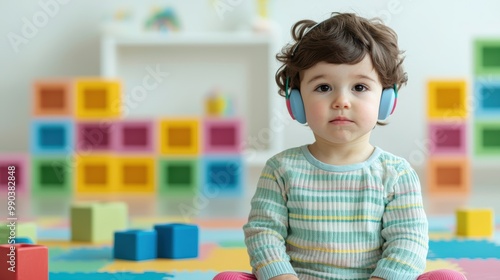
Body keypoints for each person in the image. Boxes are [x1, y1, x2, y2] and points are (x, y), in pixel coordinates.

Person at [214, 12, 467, 280]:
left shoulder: (397, 173)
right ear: (296, 102)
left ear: (386, 100)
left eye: (359, 86)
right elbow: (263, 232)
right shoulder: (280, 169)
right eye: (323, 87)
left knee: (449, 278)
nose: (341, 101)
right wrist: (281, 277)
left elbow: (409, 241)